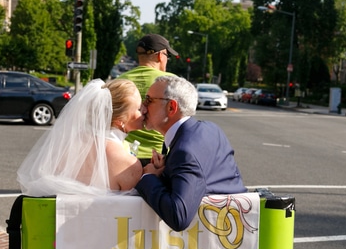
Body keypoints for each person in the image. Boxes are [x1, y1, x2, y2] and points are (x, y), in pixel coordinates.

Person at [135, 76, 246, 232]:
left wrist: (147, 178)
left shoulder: (185, 151)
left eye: (149, 100)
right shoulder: (209, 128)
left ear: (171, 107)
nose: (143, 107)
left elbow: (178, 216)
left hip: (221, 237)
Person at [17, 78, 143, 195]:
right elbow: (132, 213)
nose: (144, 111)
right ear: (119, 121)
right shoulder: (128, 165)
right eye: (138, 108)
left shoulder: (67, 144)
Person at [118, 34, 178, 163]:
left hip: (123, 153)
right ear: (160, 55)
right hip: (158, 157)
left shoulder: (120, 81)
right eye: (168, 56)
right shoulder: (171, 82)